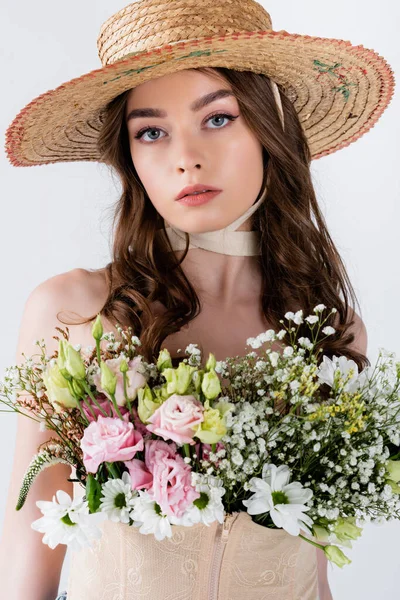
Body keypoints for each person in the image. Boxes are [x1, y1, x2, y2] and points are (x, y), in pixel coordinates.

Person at [1, 0, 395, 599]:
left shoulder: (334, 335)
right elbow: (32, 538)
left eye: (217, 118)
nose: (185, 156)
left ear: (271, 126)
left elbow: (309, 567)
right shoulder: (73, 312)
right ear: (129, 157)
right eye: (151, 131)